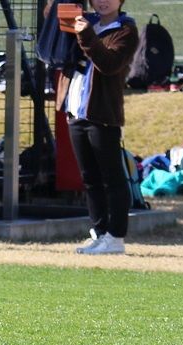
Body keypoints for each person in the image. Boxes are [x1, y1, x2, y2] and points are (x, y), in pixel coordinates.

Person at [52, 0, 138, 255]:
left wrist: (86, 34)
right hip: (76, 111)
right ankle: (100, 233)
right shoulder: (83, 21)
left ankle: (116, 237)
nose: (102, 2)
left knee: (112, 178)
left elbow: (109, 64)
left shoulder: (126, 30)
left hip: (102, 115)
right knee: (90, 179)